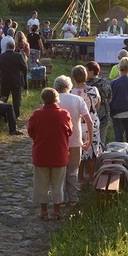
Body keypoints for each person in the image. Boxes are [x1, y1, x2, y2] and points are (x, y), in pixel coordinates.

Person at [27, 87, 72, 221]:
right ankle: (57, 211)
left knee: (41, 183)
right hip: (59, 154)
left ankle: (44, 211)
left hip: (41, 154)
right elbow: (69, 132)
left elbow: (30, 132)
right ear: (56, 99)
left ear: (43, 99)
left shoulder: (37, 114)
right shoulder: (64, 114)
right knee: (58, 185)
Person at [54, 75, 92, 207]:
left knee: (60, 171)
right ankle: (73, 198)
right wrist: (90, 139)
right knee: (73, 170)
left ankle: (62, 198)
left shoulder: (53, 100)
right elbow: (89, 120)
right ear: (69, 86)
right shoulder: (77, 99)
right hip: (75, 140)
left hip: (58, 142)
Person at [70, 65, 101, 186]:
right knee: (92, 151)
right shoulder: (93, 90)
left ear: (73, 78)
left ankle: (80, 179)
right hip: (92, 122)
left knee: (79, 152)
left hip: (78, 123)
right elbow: (97, 106)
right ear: (86, 75)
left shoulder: (71, 92)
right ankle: (92, 179)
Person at [0, 41, 28, 120]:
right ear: (14, 47)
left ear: (7, 47)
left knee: (3, 98)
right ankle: (16, 116)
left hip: (5, 79)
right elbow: (24, 67)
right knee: (16, 100)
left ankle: (2, 115)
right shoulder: (18, 56)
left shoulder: (1, 56)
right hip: (16, 80)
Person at [85, 61, 112, 147]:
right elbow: (110, 99)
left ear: (91, 72)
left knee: (89, 141)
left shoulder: (85, 85)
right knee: (102, 141)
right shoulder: (106, 83)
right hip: (104, 115)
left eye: (86, 71)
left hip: (90, 116)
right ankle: (101, 158)